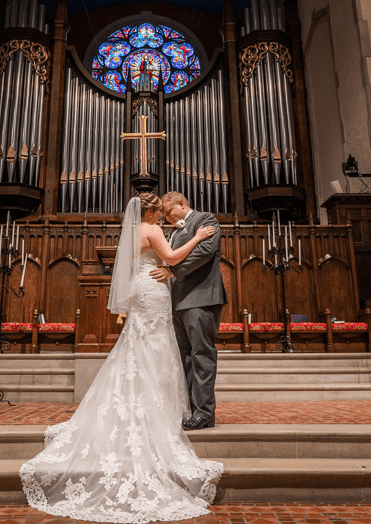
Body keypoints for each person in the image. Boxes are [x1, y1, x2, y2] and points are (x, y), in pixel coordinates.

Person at [20, 193, 224, 523]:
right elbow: (170, 260)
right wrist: (195, 239)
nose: (166, 220)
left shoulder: (130, 232)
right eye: (162, 214)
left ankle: (142, 403)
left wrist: (187, 247)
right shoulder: (154, 230)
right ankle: (158, 409)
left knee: (138, 349)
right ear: (154, 211)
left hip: (142, 290)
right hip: (156, 290)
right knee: (158, 349)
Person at [149, 192, 226, 431]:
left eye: (168, 213)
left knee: (202, 355)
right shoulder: (173, 232)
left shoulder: (206, 220)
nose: (166, 218)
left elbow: (204, 252)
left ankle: (204, 413)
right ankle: (190, 409)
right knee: (184, 358)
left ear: (182, 204)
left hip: (201, 298)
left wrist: (172, 272)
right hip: (178, 300)